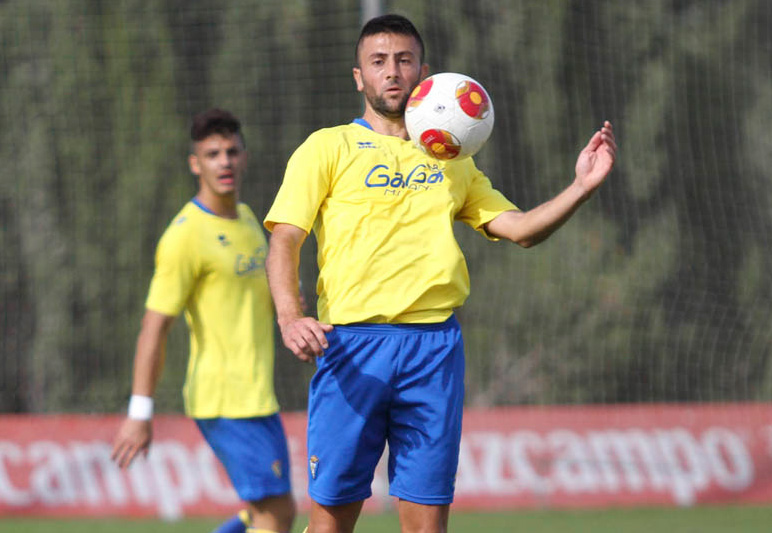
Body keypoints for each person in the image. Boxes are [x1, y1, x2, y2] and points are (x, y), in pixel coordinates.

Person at [264, 14, 617, 533]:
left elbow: (519, 229)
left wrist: (580, 188)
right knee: (330, 525)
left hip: (433, 351)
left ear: (423, 73)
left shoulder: (453, 157)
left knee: (427, 526)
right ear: (358, 76)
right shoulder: (327, 147)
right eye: (378, 62)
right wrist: (291, 317)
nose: (392, 72)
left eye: (403, 60)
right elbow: (285, 241)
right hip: (352, 348)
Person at [111, 108, 296, 533]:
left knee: (265, 512)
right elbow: (153, 329)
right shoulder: (185, 235)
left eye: (231, 151)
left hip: (256, 394)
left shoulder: (249, 219)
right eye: (212, 154)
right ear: (196, 164)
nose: (224, 162)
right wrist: (140, 412)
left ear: (244, 157)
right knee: (275, 513)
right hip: (224, 397)